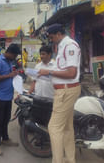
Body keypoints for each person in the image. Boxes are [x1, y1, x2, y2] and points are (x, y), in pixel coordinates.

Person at [38, 24, 81, 163]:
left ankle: (58, 160)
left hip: (66, 90)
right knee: (67, 128)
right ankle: (70, 159)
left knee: (54, 127)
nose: (51, 40)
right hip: (65, 89)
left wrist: (49, 72)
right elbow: (62, 70)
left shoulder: (69, 46)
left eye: (51, 37)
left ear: (58, 34)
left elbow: (71, 73)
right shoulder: (62, 46)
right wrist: (47, 74)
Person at [0, 43, 20, 156]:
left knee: (6, 118)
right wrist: (9, 76)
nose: (15, 58)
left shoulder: (9, 61)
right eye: (15, 56)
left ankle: (5, 138)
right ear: (10, 53)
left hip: (8, 96)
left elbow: (10, 72)